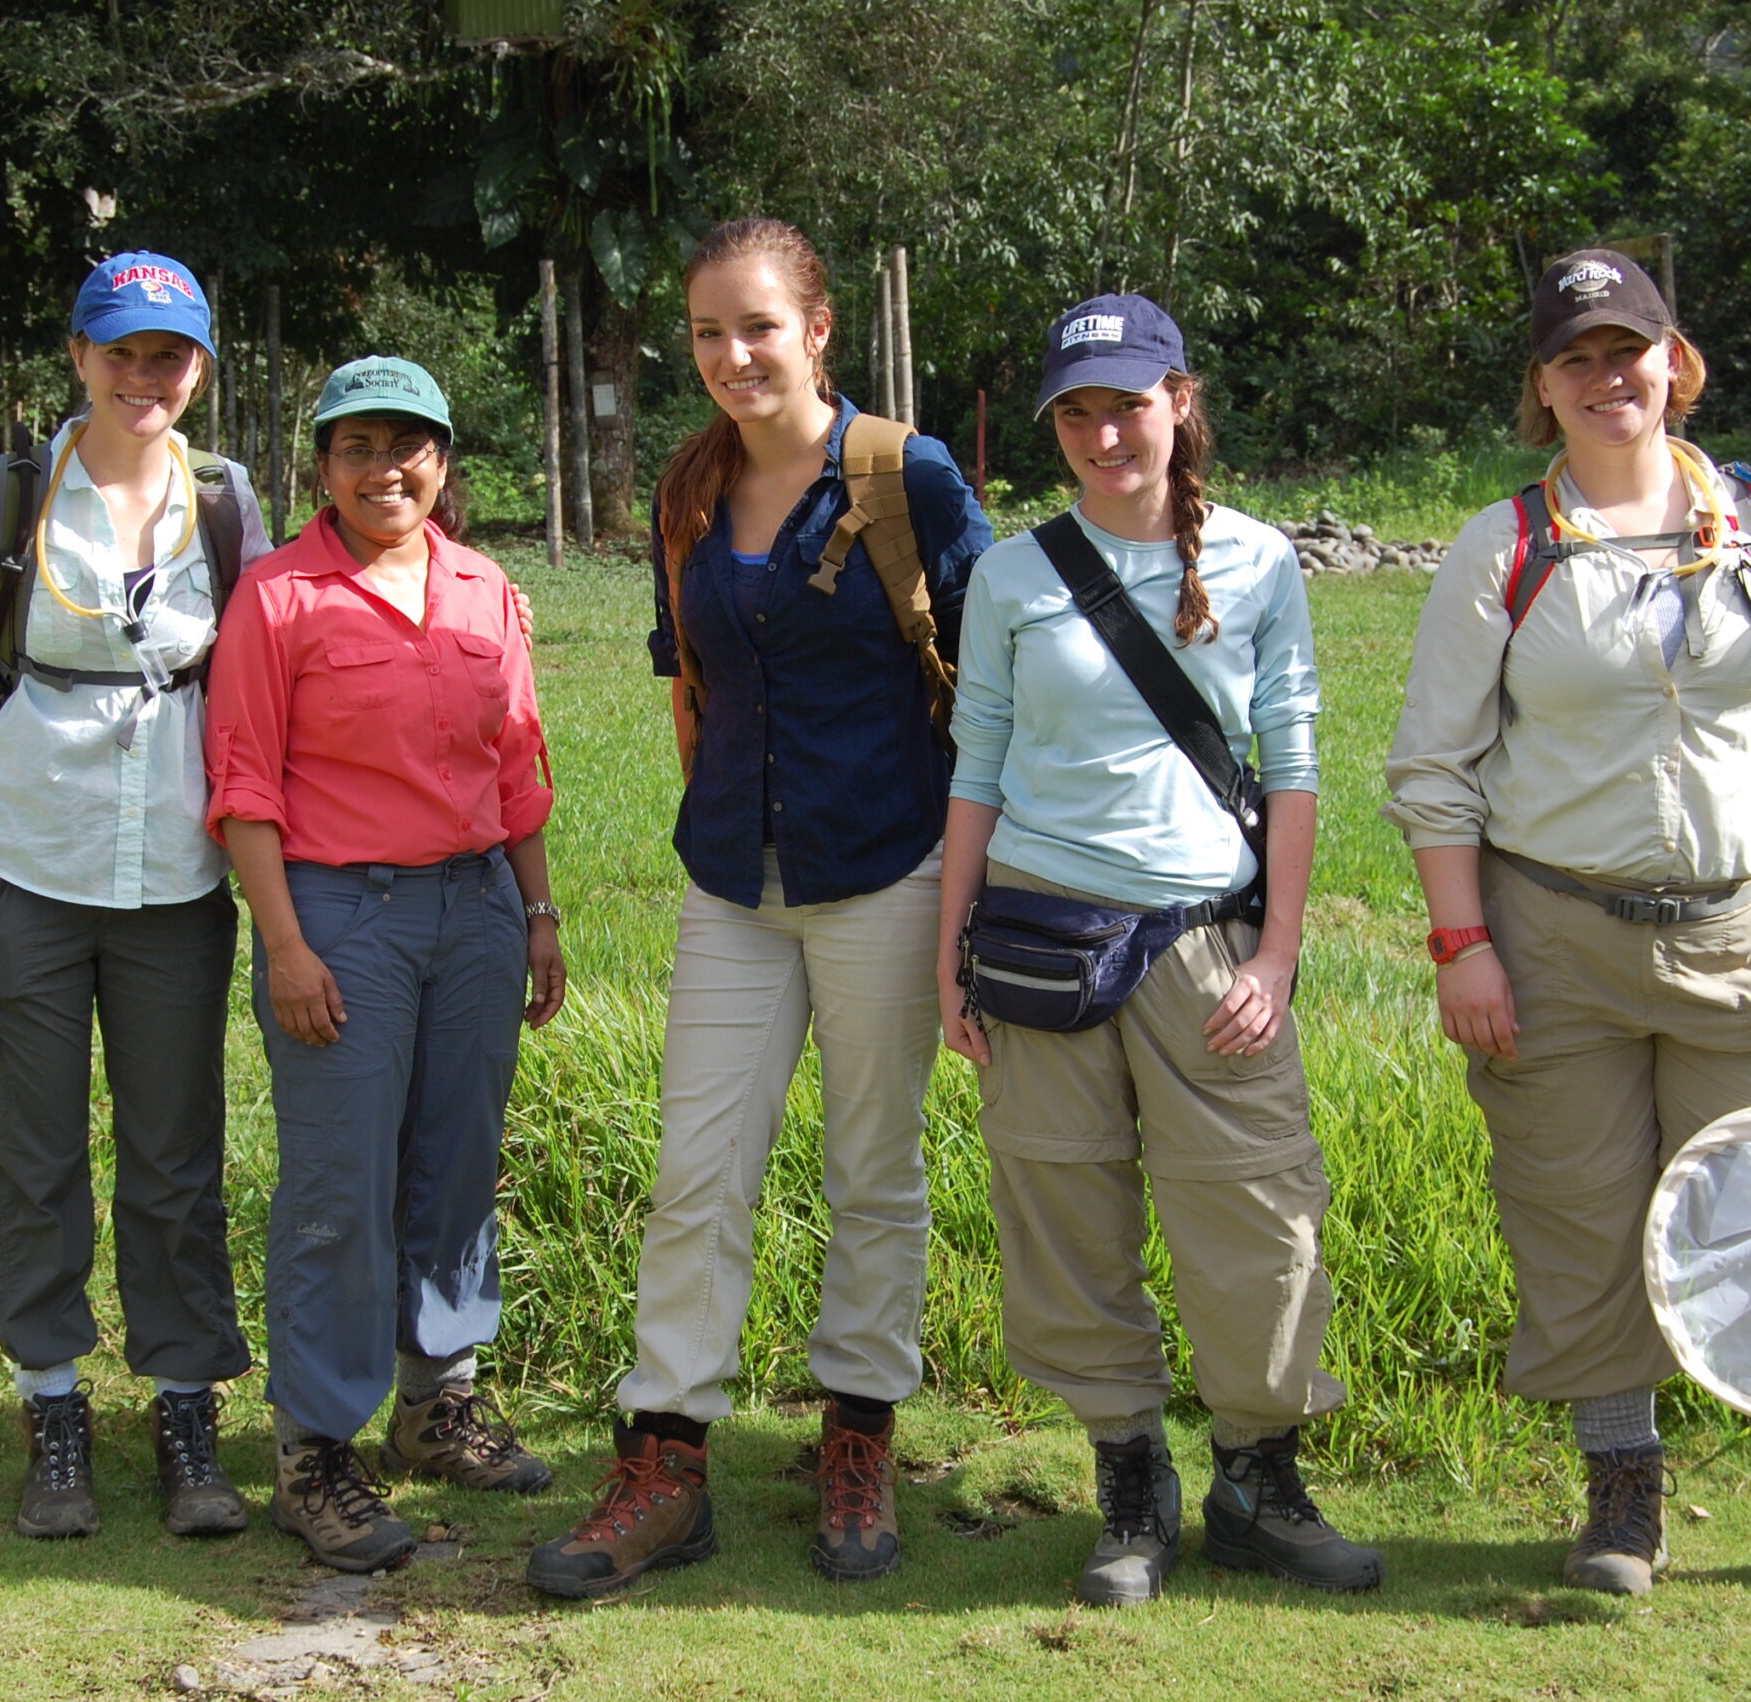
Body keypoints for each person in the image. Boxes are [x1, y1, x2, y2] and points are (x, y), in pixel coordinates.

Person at [1383, 250, 1751, 1619]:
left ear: (1676, 361)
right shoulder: (1504, 546)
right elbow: (1433, 768)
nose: (1608, 378)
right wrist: (1459, 942)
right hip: (1553, 942)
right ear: (1543, 384)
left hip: (1746, 933)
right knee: (1578, 1214)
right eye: (1577, 357)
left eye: (1628, 350)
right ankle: (1621, 1493)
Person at [525, 218, 991, 1598]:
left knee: (873, 1170)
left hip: (887, 869)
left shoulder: (909, 475)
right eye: (710, 333)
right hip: (733, 877)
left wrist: (975, 889)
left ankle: (858, 1438)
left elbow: (992, 679)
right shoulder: (692, 488)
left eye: (759, 327)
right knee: (697, 1175)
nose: (733, 355)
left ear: (819, 327)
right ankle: (666, 1457)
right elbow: (694, 680)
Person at [934, 294, 1383, 1608]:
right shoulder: (1015, 573)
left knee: (1257, 1212)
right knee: (1064, 1208)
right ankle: (1130, 1481)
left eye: (1125, 403)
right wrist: (948, 951)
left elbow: (1294, 764)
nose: (1101, 433)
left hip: (1208, 942)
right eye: (1075, 410)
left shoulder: (1258, 562)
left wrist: (1278, 953)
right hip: (1037, 934)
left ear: (1179, 400)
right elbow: (978, 770)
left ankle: (1259, 1477)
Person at [0, 250, 270, 1540]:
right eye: (118, 352)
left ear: (200, 371)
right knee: (34, 1151)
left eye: (167, 356)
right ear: (77, 357)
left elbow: (262, 695)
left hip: (176, 876)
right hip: (26, 866)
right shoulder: (6, 497)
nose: (142, 378)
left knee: (177, 1158)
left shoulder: (226, 504)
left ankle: (184, 1412)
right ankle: (52, 1408)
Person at [204, 356, 563, 1574]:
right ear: (321, 466)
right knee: (338, 1185)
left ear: (443, 461)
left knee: (456, 1162)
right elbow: (243, 785)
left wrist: (541, 911)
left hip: (475, 912)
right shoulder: (278, 596)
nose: (386, 468)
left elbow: (518, 762)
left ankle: (436, 1402)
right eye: (357, 446)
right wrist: (285, 943)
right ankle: (314, 1448)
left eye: (409, 444)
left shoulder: (482, 588)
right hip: (338, 915)